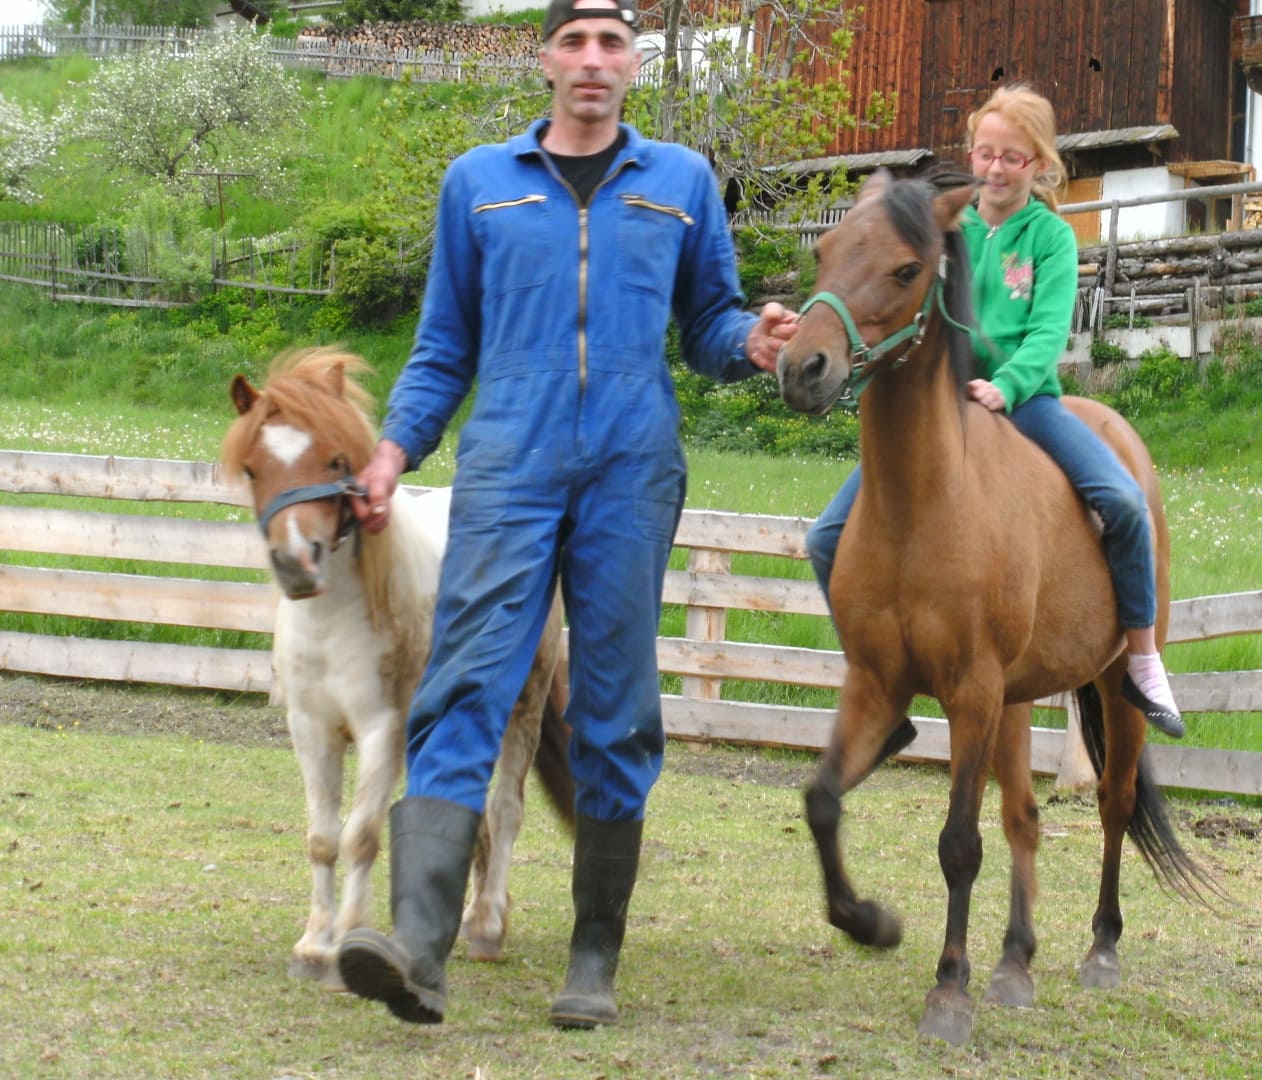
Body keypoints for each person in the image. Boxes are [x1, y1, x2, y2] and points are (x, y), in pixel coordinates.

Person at [335, 0, 797, 1031]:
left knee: (616, 703)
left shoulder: (681, 180)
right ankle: (418, 951)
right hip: (509, 462)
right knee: (464, 683)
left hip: (632, 468)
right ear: (546, 58)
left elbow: (708, 322)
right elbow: (443, 345)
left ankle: (592, 957)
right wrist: (393, 451)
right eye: (575, 41)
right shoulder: (478, 183)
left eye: (612, 43)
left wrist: (752, 342)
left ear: (634, 63)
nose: (593, 59)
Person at [804, 83, 1184, 739]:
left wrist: (1007, 385)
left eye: (1013, 157)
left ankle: (1144, 658)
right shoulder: (948, 229)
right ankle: (875, 682)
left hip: (1025, 404)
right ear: (972, 154)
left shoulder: (1051, 238)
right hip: (946, 412)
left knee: (1124, 502)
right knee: (823, 539)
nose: (997, 168)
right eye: (986, 154)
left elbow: (1048, 333)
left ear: (1039, 164)